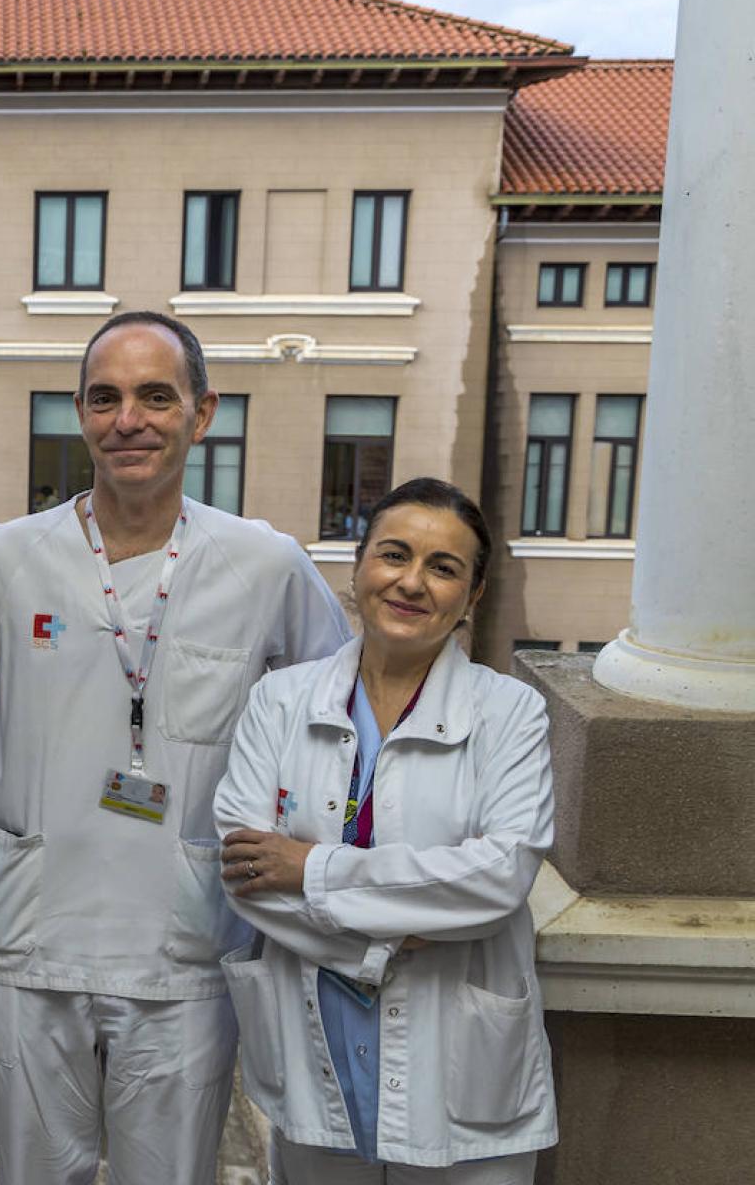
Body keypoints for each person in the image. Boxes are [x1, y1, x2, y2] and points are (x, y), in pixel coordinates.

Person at [0, 311, 350, 1185]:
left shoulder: (263, 566)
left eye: (156, 396)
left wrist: (309, 851)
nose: (129, 420)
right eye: (105, 398)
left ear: (203, 411)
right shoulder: (8, 557)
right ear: (79, 411)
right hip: (26, 935)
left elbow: (336, 714)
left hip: (180, 943)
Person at [215, 477, 557, 1183]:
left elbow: (497, 879)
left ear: (474, 593)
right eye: (394, 555)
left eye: (443, 567)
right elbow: (246, 873)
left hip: (458, 1079)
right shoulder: (280, 702)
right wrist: (404, 922)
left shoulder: (511, 715)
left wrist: (309, 869)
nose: (412, 583)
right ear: (358, 565)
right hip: (316, 1056)